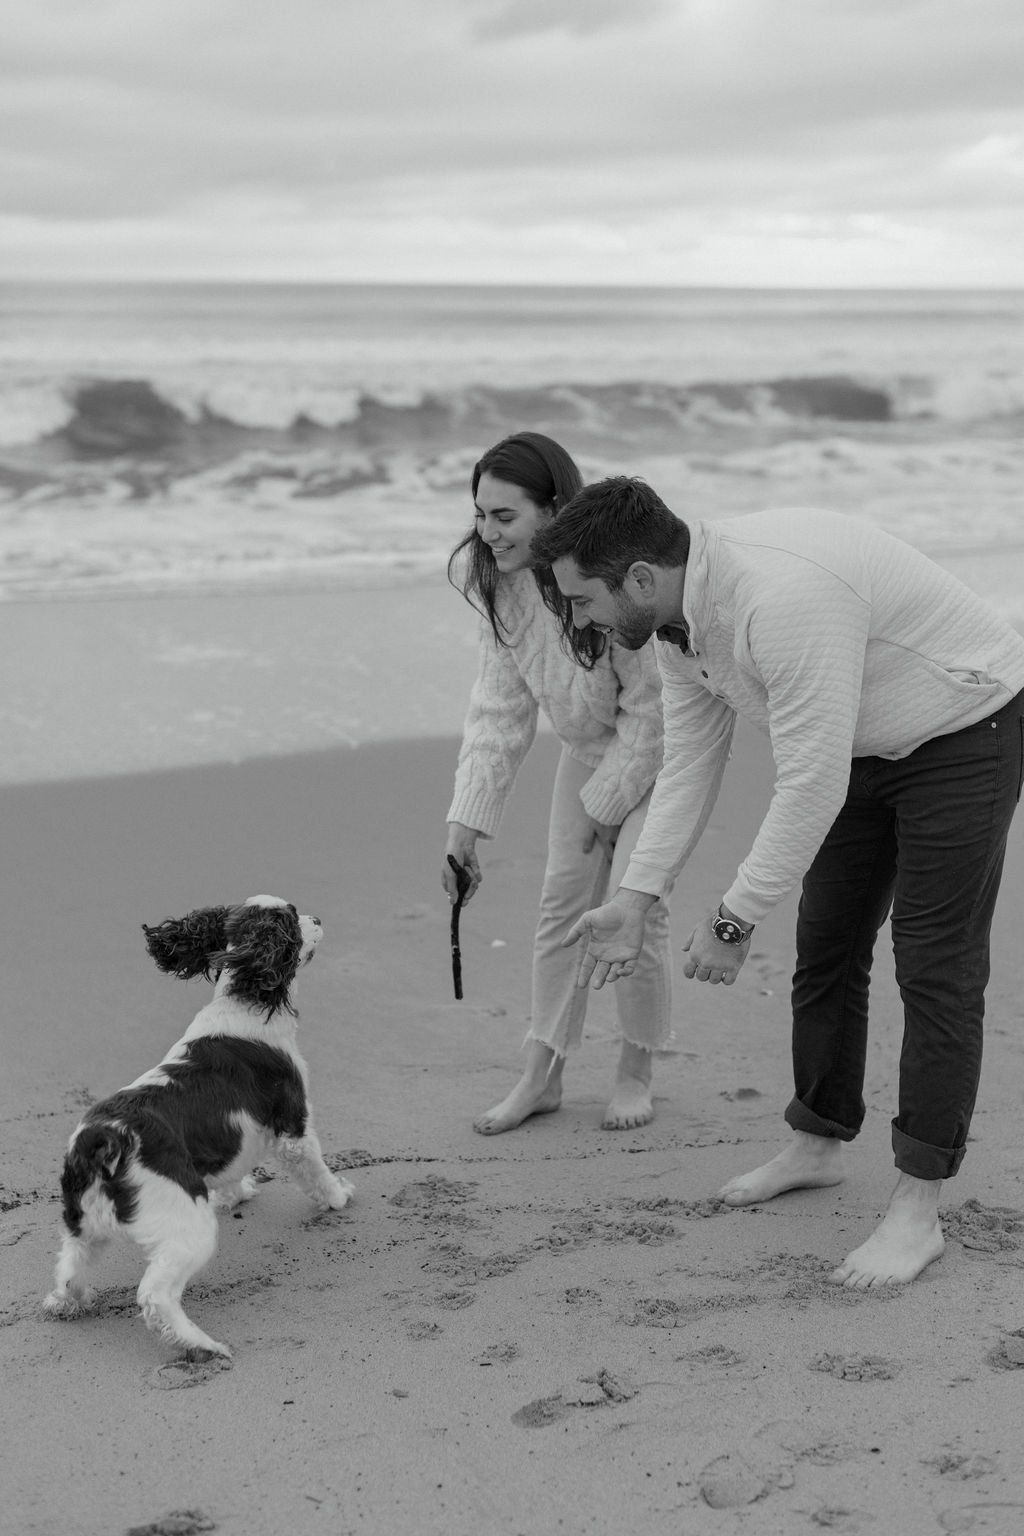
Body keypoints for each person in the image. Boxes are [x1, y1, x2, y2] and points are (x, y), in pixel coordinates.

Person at [531, 477, 1024, 1287]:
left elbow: (807, 785)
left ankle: (917, 1206)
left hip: (963, 727)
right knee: (827, 945)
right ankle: (819, 1140)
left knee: (935, 967)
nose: (578, 620)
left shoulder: (779, 597)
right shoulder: (676, 623)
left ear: (641, 578)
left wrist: (732, 920)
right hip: (860, 741)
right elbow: (691, 761)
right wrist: (636, 896)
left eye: (583, 600)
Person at [443, 434, 669, 1135]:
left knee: (637, 912)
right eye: (480, 514)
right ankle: (542, 1075)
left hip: (659, 758)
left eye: (504, 517)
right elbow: (499, 711)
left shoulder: (607, 576)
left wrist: (608, 806)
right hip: (585, 752)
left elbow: (654, 712)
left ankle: (636, 1070)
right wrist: (465, 828)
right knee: (560, 911)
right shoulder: (500, 585)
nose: (486, 532)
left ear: (553, 509)